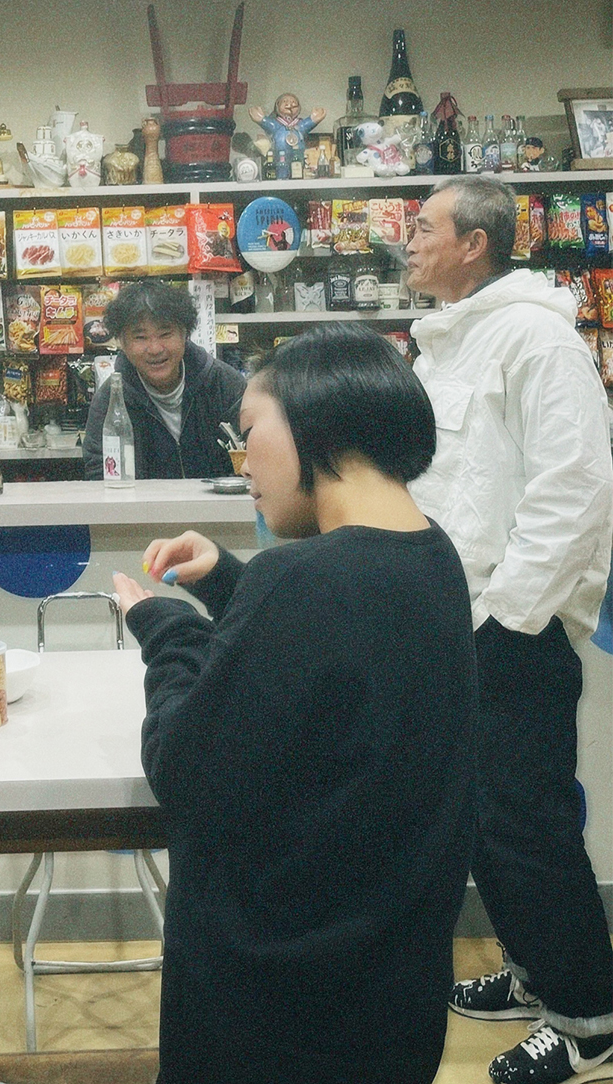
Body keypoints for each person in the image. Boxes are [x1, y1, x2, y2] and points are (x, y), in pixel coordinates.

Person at [111, 322, 477, 1084]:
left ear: (315, 423)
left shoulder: (303, 580)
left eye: (249, 433)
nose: (244, 463)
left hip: (276, 1009)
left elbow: (183, 771)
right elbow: (336, 652)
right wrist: (227, 580)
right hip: (388, 992)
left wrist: (165, 629)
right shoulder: (430, 554)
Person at [405, 174, 613, 1084]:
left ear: (474, 243)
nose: (409, 241)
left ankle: (588, 1019)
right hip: (457, 623)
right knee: (485, 823)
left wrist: (506, 618)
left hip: (511, 631)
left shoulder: (537, 337)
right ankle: (535, 975)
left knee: (527, 826)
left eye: (425, 227)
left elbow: (575, 489)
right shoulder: (448, 341)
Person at [82, 278, 245, 480]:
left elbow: (255, 456)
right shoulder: (110, 400)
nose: (155, 349)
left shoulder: (223, 383)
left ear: (185, 334)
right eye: (140, 337)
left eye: (165, 334)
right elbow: (101, 473)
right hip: (142, 502)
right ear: (122, 343)